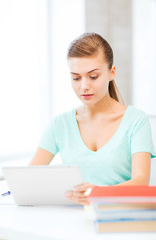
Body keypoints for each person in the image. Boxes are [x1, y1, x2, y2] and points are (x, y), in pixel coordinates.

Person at [30, 32, 156, 205]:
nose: (84, 86)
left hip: (118, 217)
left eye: (93, 76)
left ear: (112, 72)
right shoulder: (60, 125)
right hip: (72, 220)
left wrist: (97, 193)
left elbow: (141, 182)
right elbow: (29, 178)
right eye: (76, 78)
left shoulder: (136, 120)